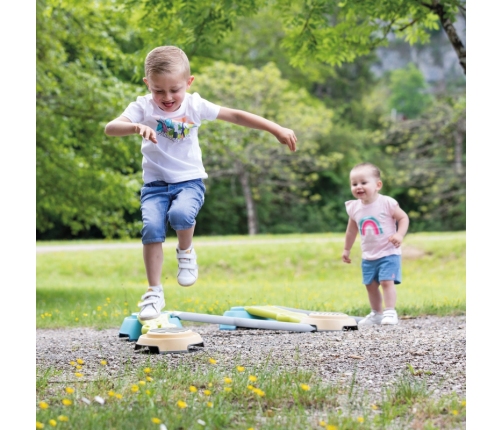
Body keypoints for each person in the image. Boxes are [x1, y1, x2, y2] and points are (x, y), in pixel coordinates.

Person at [104, 46, 297, 320]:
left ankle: (186, 251)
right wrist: (136, 126)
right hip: (155, 185)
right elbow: (110, 128)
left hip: (189, 182)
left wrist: (275, 128)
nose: (167, 97)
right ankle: (154, 291)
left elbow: (236, 116)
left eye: (175, 90)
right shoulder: (142, 107)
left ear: (189, 82)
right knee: (151, 229)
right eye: (159, 91)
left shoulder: (194, 105)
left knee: (181, 214)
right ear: (148, 84)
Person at [342, 162, 409, 326]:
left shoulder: (387, 203)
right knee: (370, 285)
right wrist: (346, 249)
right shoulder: (353, 208)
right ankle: (376, 313)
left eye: (364, 182)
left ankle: (390, 312)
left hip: (388, 252)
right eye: (354, 183)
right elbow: (351, 231)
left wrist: (399, 234)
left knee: (387, 282)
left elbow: (403, 218)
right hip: (369, 255)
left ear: (378, 185)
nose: (359, 186)